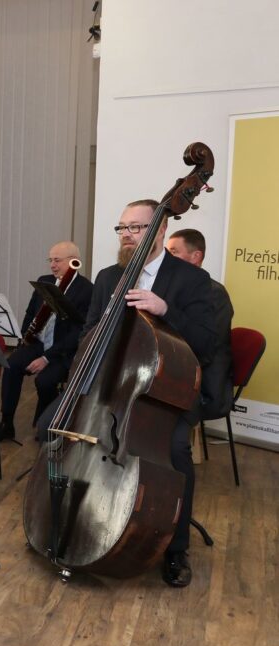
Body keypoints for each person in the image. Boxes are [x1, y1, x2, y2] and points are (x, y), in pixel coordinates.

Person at [81, 199, 216, 587]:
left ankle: (175, 549)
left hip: (167, 392)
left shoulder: (190, 280)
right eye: (122, 228)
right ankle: (88, 520)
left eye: (136, 227)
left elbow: (207, 344)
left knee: (174, 449)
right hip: (114, 386)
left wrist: (165, 309)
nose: (127, 235)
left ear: (159, 229)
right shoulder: (109, 277)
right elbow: (88, 332)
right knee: (54, 431)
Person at [0, 241, 92, 443]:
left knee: (44, 381)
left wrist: (46, 358)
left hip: (63, 352)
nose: (52, 265)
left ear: (73, 261)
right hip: (39, 343)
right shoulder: (45, 281)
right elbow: (30, 312)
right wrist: (24, 338)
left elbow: (78, 333)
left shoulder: (86, 289)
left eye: (57, 260)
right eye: (50, 260)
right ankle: (6, 423)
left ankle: (45, 423)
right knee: (11, 365)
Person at [166, 228, 234, 420]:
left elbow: (204, 348)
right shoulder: (178, 287)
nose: (167, 258)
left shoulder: (215, 294)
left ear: (196, 256)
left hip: (204, 383)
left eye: (174, 252)